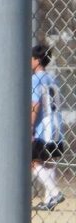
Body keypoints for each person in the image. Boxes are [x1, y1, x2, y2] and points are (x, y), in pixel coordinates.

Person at [31, 43, 65, 211]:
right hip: (57, 125)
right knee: (49, 162)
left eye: (31, 58)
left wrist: (30, 126)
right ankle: (49, 200)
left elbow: (35, 104)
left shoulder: (36, 78)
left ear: (37, 60)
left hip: (44, 128)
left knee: (32, 161)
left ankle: (55, 192)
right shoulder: (53, 78)